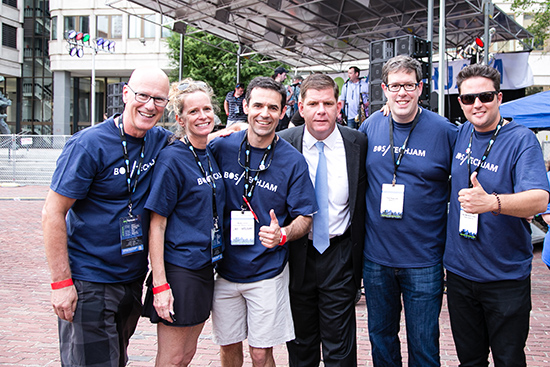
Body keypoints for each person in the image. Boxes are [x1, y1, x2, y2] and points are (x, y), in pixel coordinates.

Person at [41, 67, 172, 366]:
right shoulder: (89, 144)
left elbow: (196, 137)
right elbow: (53, 212)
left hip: (131, 279)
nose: (150, 105)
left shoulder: (158, 141)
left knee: (116, 359)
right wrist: (61, 283)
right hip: (90, 281)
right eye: (143, 96)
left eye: (159, 99)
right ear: (126, 94)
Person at [444, 63, 550, 367]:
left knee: (508, 359)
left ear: (499, 98)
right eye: (468, 98)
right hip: (461, 275)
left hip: (504, 277)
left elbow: (540, 198)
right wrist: (390, 105)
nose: (477, 104)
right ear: (460, 102)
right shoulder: (460, 133)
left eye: (485, 96)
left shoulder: (521, 140)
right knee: (470, 360)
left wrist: (493, 203)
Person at [209, 76, 317, 367]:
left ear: (283, 112)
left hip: (267, 270)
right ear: (244, 106)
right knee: (229, 347)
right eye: (257, 105)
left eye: (273, 107)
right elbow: (186, 152)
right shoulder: (221, 147)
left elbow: (305, 217)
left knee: (260, 353)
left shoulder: (293, 161)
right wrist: (211, 135)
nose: (264, 113)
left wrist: (282, 233)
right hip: (223, 269)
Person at [358, 55, 457, 366]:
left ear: (421, 88)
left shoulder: (444, 131)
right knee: (381, 340)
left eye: (409, 85)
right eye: (395, 86)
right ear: (385, 89)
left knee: (424, 345)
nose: (402, 93)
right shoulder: (370, 126)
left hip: (423, 260)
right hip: (376, 260)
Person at [278, 74, 367, 367]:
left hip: (339, 254)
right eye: (313, 103)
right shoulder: (283, 143)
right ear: (300, 107)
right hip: (297, 255)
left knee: (340, 350)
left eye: (328, 103)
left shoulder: (357, 143)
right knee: (301, 347)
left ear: (339, 106)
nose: (321, 110)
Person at [143, 79, 226, 366]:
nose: (203, 116)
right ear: (179, 118)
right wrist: (160, 284)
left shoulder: (209, 153)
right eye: (193, 112)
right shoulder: (172, 159)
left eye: (206, 109)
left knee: (187, 355)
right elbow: (157, 224)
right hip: (180, 270)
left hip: (205, 267)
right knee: (172, 358)